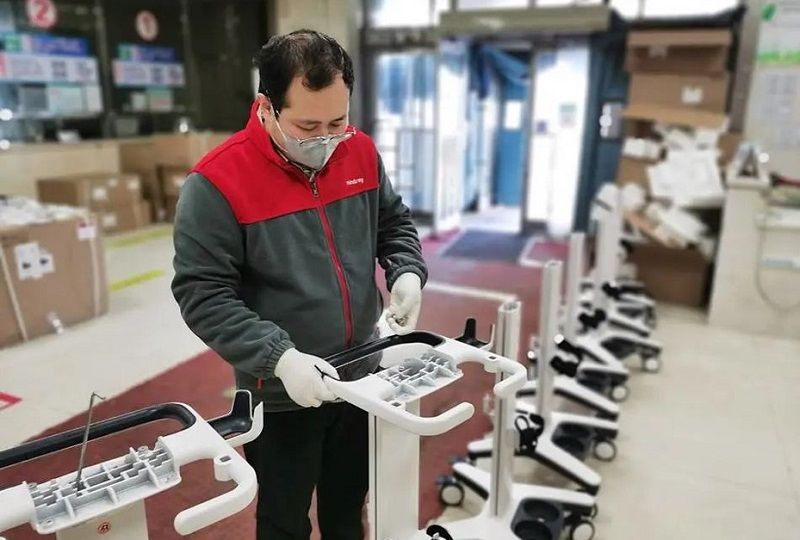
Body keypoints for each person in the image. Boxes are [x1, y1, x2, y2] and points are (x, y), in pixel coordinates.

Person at [170, 29, 428, 540]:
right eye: (308, 126)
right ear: (267, 107)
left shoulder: (360, 152)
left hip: (361, 374)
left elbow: (393, 223)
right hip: (282, 394)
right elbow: (203, 294)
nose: (326, 140)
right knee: (284, 522)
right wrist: (280, 358)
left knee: (347, 510)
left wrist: (406, 272)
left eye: (338, 122)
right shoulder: (217, 183)